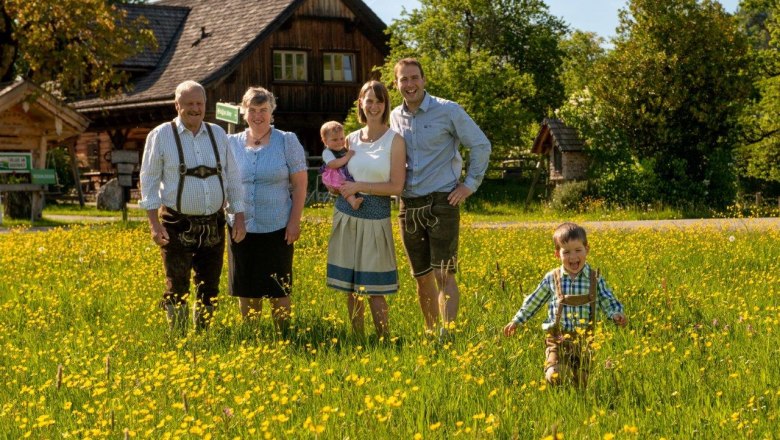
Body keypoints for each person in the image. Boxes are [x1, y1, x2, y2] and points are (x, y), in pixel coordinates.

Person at [390, 57, 492, 341]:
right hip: (408, 204)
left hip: (442, 201)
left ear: (423, 80)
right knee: (421, 276)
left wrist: (470, 184)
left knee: (443, 274)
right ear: (396, 84)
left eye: (414, 78)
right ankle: (431, 332)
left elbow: (481, 145)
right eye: (403, 80)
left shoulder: (448, 111)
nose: (409, 84)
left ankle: (448, 335)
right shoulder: (394, 117)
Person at [139, 80, 246, 332]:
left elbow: (232, 176)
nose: (195, 108)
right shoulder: (161, 135)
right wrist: (154, 224)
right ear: (177, 105)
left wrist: (238, 215)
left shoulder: (218, 134)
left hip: (214, 223)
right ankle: (178, 338)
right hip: (176, 223)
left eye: (199, 103)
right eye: (189, 104)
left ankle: (204, 335)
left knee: (210, 284)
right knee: (176, 284)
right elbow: (149, 180)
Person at [326, 80, 406, 340]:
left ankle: (384, 338)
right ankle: (357, 338)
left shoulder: (395, 141)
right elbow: (335, 175)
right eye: (368, 100)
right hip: (347, 214)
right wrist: (335, 187)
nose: (373, 106)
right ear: (361, 103)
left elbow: (397, 185)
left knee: (374, 286)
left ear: (385, 105)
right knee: (350, 286)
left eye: (378, 101)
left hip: (375, 216)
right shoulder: (349, 139)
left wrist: (361, 185)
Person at [503, 223, 628, 388]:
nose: (573, 257)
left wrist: (616, 314)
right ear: (557, 254)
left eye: (578, 250)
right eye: (566, 252)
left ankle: (575, 394)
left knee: (582, 383)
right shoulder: (552, 278)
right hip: (557, 339)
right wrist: (517, 320)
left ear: (587, 249)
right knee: (555, 375)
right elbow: (534, 301)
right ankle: (559, 381)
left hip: (586, 341)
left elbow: (608, 300)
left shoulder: (594, 278)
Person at [227, 86, 307, 332]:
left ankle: (282, 335)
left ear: (272, 111)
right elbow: (227, 184)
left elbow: (300, 184)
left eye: (263, 110)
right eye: (252, 110)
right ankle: (252, 335)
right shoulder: (231, 143)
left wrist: (294, 221)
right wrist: (235, 216)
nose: (257, 115)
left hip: (277, 224)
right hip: (241, 226)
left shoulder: (287, 140)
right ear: (243, 112)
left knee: (278, 286)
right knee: (246, 286)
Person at [319, 121, 362, 210]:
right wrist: (347, 157)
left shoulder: (343, 149)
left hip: (342, 173)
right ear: (325, 141)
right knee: (344, 187)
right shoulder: (327, 152)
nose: (339, 142)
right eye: (334, 140)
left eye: (342, 138)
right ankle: (353, 202)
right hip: (334, 175)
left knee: (347, 185)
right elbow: (333, 164)